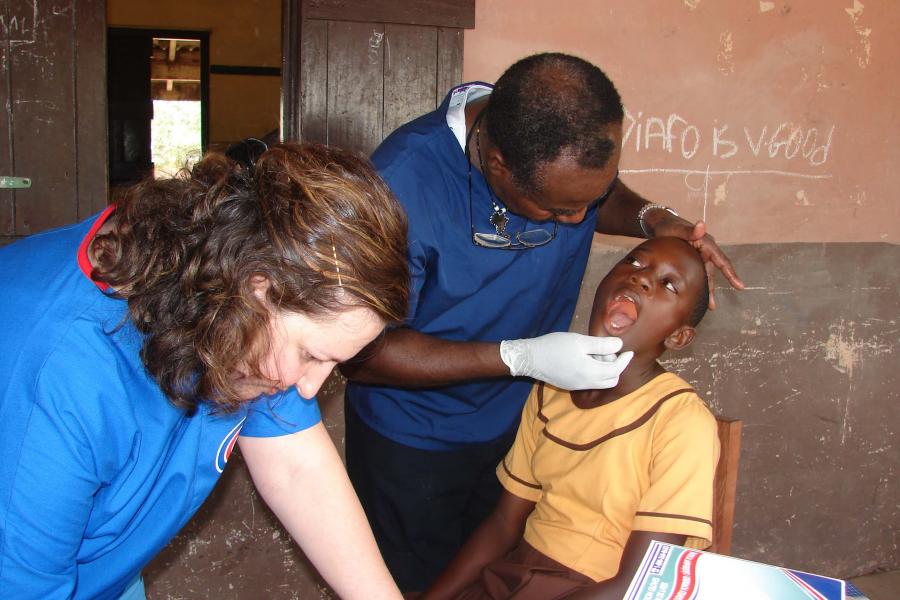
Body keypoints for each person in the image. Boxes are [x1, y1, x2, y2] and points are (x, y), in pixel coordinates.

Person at [340, 52, 743, 592]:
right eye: (555, 211)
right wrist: (520, 357)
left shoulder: (558, 131)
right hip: (415, 439)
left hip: (515, 421)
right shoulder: (399, 187)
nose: (576, 221)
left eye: (589, 200)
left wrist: (654, 220)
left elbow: (592, 195)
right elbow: (360, 354)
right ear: (499, 164)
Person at [0, 143, 409, 599]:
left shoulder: (242, 299)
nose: (309, 388)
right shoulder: (60, 377)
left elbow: (297, 467)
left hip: (105, 569)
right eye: (312, 355)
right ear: (256, 290)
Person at [422, 236, 720, 599]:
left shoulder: (680, 421)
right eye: (636, 263)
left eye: (669, 284)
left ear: (678, 337)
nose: (641, 279)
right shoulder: (553, 388)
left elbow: (640, 584)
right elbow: (503, 525)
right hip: (515, 576)